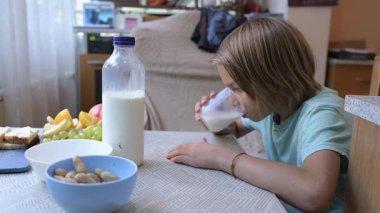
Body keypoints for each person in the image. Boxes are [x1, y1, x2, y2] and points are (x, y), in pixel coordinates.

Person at [166, 17, 352, 212]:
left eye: (236, 88)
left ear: (272, 82)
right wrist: (218, 122)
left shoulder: (323, 113)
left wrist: (223, 159)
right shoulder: (274, 106)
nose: (232, 98)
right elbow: (235, 129)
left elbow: (315, 195)